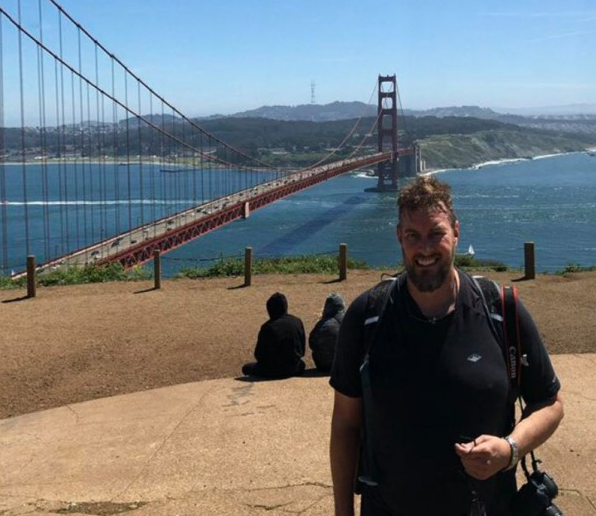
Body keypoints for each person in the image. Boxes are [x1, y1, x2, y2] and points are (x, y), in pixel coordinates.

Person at [329, 176, 564, 516]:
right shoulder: (366, 317)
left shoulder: (501, 309)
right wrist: (342, 513)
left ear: (456, 232)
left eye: (436, 233)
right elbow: (346, 424)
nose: (425, 248)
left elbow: (551, 403)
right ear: (399, 237)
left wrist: (510, 449)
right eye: (413, 235)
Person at [241, 292, 306, 379]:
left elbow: (259, 354)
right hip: (294, 367)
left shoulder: (267, 327)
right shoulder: (297, 321)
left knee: (246, 368)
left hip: (272, 370)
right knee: (302, 363)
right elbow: (302, 349)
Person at [309, 292, 346, 372]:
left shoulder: (321, 324)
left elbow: (311, 343)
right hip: (342, 365)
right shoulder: (347, 321)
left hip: (322, 365)